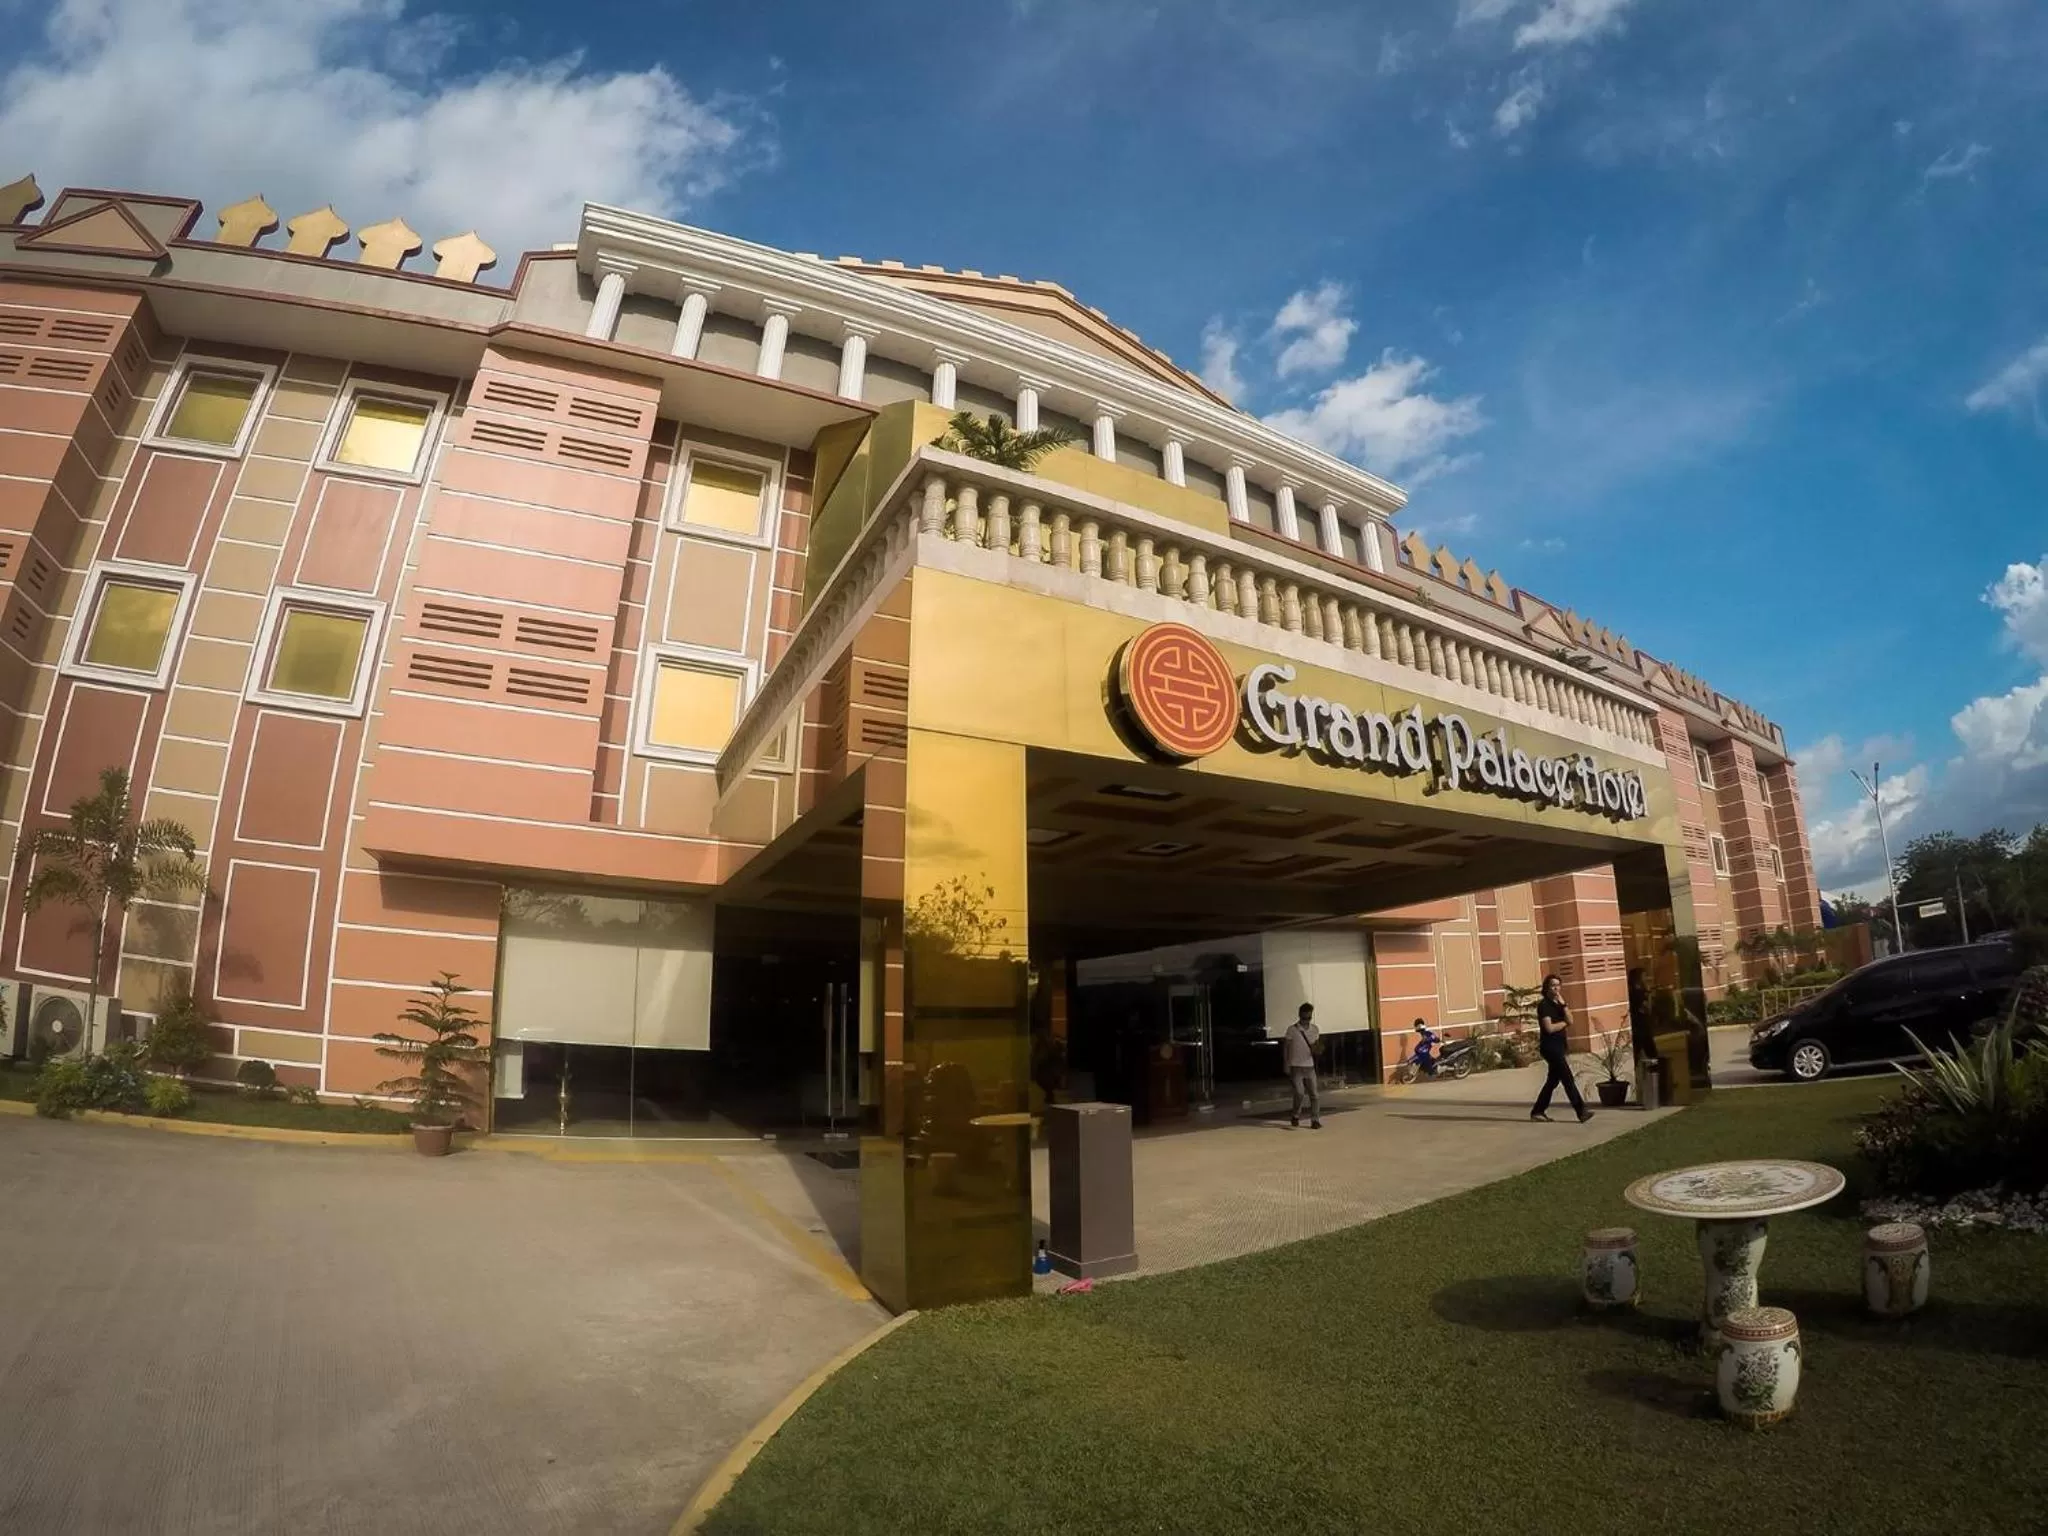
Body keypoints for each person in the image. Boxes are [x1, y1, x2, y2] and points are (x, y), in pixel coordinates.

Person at [1530, 973, 1592, 1123]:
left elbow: (1571, 1019)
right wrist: (1564, 1023)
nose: (1556, 988)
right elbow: (1549, 1028)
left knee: (1552, 1081)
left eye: (1558, 985)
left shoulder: (1559, 1004)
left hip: (1559, 1047)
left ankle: (1538, 1111)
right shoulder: (1544, 1006)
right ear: (1547, 987)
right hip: (1550, 1048)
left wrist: (1564, 1004)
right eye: (1553, 985)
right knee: (1568, 1079)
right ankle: (1581, 1112)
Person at [1283, 1002, 1322, 1129]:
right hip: (1296, 1066)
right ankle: (1295, 1114)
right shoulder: (1292, 1030)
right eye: (1305, 1017)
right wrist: (1286, 1063)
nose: (1307, 1020)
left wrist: (1318, 1049)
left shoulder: (1315, 1029)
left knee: (1314, 1094)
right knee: (1299, 1093)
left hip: (1309, 1066)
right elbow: (1286, 1047)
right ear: (1300, 1015)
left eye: (1309, 1017)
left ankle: (1315, 1120)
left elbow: (1316, 1046)